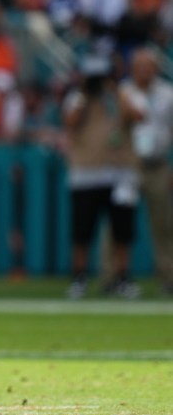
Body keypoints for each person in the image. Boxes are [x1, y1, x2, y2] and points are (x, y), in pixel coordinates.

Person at [62, 54, 142, 299]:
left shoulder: (122, 94)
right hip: (86, 172)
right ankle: (79, 277)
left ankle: (122, 277)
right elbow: (69, 122)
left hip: (119, 172)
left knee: (122, 229)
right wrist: (86, 94)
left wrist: (114, 90)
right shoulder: (78, 97)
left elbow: (139, 116)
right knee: (82, 230)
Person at [119, 47, 173, 296]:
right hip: (128, 165)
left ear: (157, 68)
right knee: (119, 223)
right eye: (140, 66)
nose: (144, 71)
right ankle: (114, 277)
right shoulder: (122, 93)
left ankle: (169, 277)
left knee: (164, 224)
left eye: (149, 66)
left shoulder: (167, 94)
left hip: (158, 164)